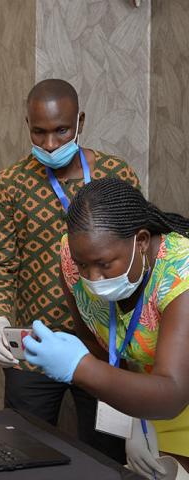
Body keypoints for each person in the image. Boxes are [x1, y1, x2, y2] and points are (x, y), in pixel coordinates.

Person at [0, 79, 140, 462]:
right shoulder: (10, 184)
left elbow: (140, 255)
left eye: (61, 131)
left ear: (79, 122)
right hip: (33, 346)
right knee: (21, 451)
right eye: (39, 132)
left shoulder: (117, 177)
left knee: (106, 456)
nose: (50, 144)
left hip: (104, 347)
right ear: (27, 125)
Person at [22, 177, 189, 478]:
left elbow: (174, 393)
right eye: (83, 265)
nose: (92, 279)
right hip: (154, 394)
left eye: (104, 264)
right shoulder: (76, 258)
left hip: (174, 392)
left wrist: (79, 368)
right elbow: (102, 347)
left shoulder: (182, 275)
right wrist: (135, 417)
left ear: (140, 241)